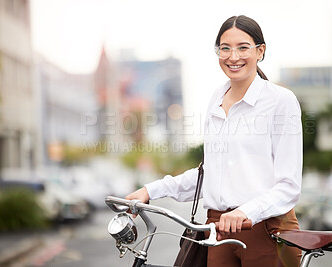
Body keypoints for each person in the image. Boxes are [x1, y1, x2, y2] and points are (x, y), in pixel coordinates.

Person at [126, 15, 303, 267]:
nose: (233, 56)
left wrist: (245, 212)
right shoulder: (216, 100)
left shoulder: (280, 101)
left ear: (260, 51)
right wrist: (149, 191)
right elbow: (207, 175)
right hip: (218, 230)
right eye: (225, 48)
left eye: (243, 47)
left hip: (268, 229)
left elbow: (289, 186)